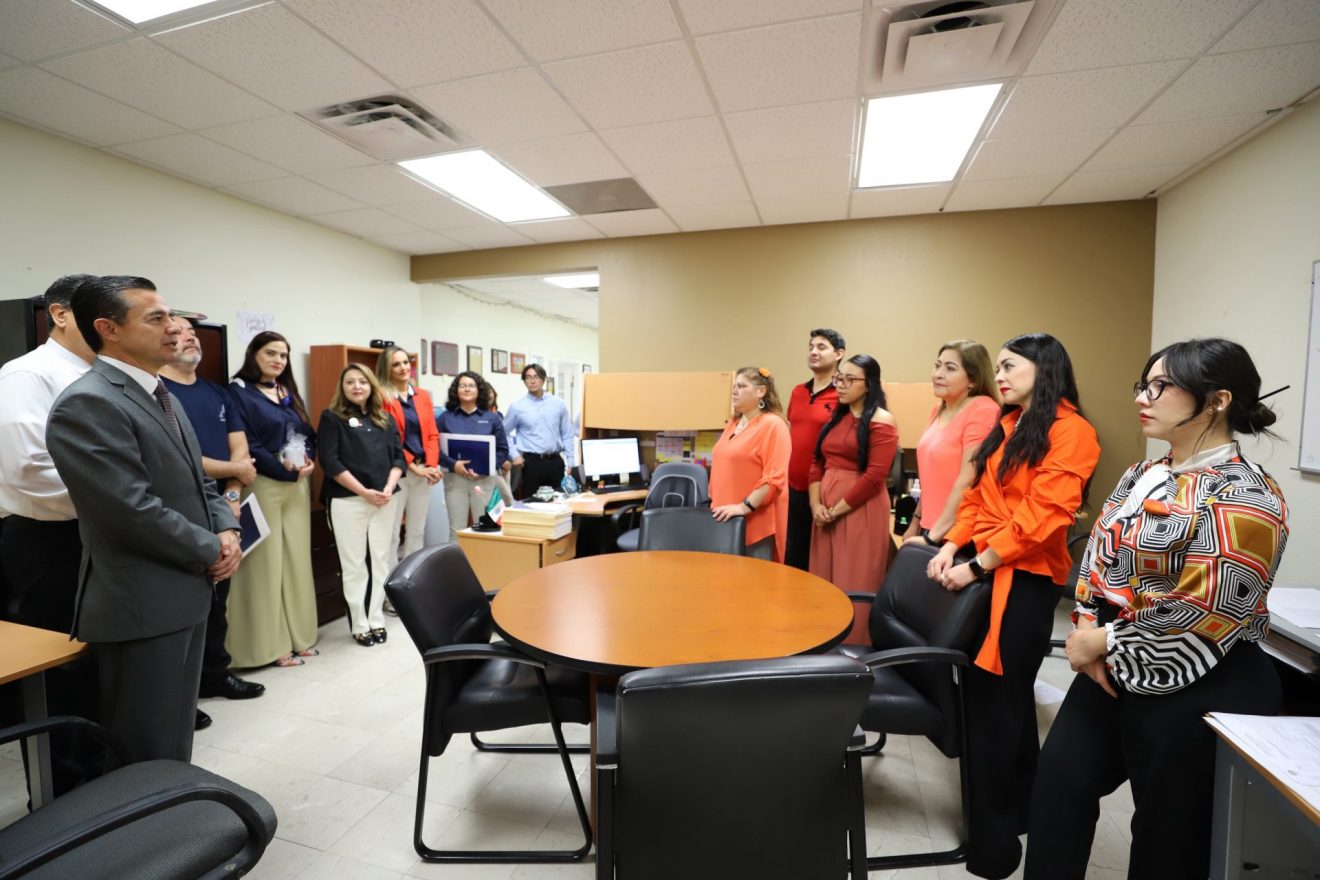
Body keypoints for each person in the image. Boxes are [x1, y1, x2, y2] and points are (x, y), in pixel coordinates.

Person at [1025, 338, 1289, 880]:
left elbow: (1206, 607)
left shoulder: (1249, 496)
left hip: (1198, 678)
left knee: (1165, 839)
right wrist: (1088, 627)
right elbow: (1098, 560)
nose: (1142, 398)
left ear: (1217, 400)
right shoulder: (1141, 472)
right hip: (1110, 666)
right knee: (1058, 787)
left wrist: (1104, 641)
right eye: (1143, 385)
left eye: (1160, 386)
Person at [926, 332, 1100, 879]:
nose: (998, 376)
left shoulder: (1073, 432)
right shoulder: (1010, 424)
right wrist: (952, 544)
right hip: (987, 563)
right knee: (1006, 704)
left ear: (1044, 369)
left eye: (1009, 367)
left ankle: (993, 850)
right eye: (997, 368)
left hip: (1024, 581)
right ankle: (1021, 810)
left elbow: (1043, 516)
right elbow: (979, 498)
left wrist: (976, 564)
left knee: (994, 710)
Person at [47, 276, 241, 764]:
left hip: (186, 589)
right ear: (108, 329)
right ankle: (154, 814)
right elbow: (129, 510)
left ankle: (176, 806)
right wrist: (211, 548)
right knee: (145, 744)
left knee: (174, 736)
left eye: (171, 315)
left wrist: (227, 528)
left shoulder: (160, 393)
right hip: (142, 601)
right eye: (157, 318)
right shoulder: (89, 402)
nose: (174, 327)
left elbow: (198, 481)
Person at [0, 273, 101, 793]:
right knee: (59, 670)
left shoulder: (100, 373)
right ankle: (63, 790)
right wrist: (117, 502)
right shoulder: (29, 374)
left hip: (99, 533)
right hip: (50, 539)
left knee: (94, 666)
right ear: (59, 314)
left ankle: (102, 778)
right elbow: (28, 469)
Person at [159, 318, 265, 725]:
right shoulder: (157, 393)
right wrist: (235, 470)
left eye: (192, 331)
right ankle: (182, 695)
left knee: (219, 597)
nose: (188, 337)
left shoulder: (217, 393)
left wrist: (233, 495)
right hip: (182, 508)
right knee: (186, 603)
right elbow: (182, 459)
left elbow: (241, 452)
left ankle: (216, 676)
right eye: (177, 331)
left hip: (225, 509)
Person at [226, 331, 319, 668]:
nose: (278, 360)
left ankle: (300, 637)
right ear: (254, 354)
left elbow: (308, 434)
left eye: (283, 355)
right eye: (271, 353)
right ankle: (270, 646)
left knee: (296, 560)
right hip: (263, 483)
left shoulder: (286, 392)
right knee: (265, 564)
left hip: (298, 484)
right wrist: (283, 470)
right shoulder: (238, 392)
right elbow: (247, 443)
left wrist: (308, 461)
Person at [319, 364, 403, 647]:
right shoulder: (332, 418)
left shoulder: (384, 418)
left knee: (380, 560)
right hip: (348, 500)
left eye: (362, 382)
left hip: (384, 499)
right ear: (342, 388)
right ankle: (359, 623)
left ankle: (376, 619)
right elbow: (330, 462)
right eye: (350, 382)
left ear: (371, 386)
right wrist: (364, 492)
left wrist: (389, 486)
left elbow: (399, 458)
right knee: (354, 564)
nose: (357, 387)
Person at [808, 354, 899, 596]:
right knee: (823, 581)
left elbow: (874, 477)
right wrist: (816, 506)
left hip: (859, 509)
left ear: (869, 384)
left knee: (854, 579)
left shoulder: (882, 420)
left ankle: (856, 624)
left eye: (850, 379)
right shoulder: (836, 418)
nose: (841, 385)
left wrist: (835, 511)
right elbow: (817, 463)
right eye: (839, 378)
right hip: (824, 513)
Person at [902, 340, 1000, 547]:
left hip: (957, 533)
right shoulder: (939, 409)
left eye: (950, 368)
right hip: (932, 526)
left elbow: (968, 480)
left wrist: (932, 537)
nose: (938, 374)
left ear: (973, 379)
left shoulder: (983, 409)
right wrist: (916, 522)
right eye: (937, 365)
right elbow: (931, 477)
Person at [710, 367, 791, 561]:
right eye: (734, 387)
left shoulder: (773, 425)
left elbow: (774, 479)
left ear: (761, 391)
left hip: (755, 521)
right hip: (724, 517)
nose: (734, 391)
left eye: (741, 386)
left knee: (753, 578)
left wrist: (744, 507)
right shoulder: (734, 423)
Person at [785, 329, 845, 570]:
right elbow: (791, 432)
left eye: (821, 347)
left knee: (820, 561)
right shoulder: (798, 391)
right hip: (792, 487)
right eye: (811, 347)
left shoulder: (843, 393)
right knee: (793, 557)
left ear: (839, 354)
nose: (813, 352)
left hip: (824, 490)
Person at [376, 346, 441, 564]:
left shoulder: (422, 395)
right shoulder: (381, 397)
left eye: (405, 362)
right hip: (397, 472)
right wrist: (413, 466)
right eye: (396, 364)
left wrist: (430, 466)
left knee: (416, 530)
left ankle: (413, 578)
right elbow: (389, 438)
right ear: (386, 369)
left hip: (423, 471)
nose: (403, 368)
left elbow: (432, 434)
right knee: (392, 532)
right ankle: (390, 581)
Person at [436, 371, 511, 543]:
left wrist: (487, 468)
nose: (467, 389)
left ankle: (483, 561)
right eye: (462, 385)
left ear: (479, 390)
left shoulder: (492, 418)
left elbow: (502, 449)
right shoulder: (445, 418)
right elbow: (435, 449)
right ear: (456, 390)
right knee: (456, 529)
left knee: (485, 528)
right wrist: (453, 464)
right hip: (455, 480)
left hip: (484, 479)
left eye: (471, 385)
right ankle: (455, 561)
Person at [504, 363, 575, 499]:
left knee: (559, 502)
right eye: (528, 377)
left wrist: (571, 462)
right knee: (533, 504)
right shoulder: (517, 407)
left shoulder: (558, 405)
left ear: (543, 379)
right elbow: (503, 432)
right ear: (524, 381)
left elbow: (567, 434)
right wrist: (514, 454)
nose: (532, 381)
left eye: (536, 377)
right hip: (531, 464)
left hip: (555, 462)